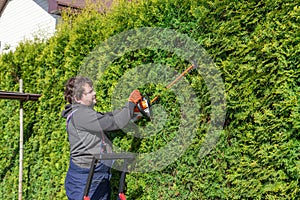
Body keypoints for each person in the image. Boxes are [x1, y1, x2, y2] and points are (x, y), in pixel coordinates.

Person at [61, 76, 142, 200]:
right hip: (86, 180)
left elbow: (108, 118)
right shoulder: (82, 115)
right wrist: (131, 103)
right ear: (78, 98)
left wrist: (133, 114)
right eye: (90, 92)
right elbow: (115, 123)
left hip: (93, 175)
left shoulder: (81, 113)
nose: (95, 93)